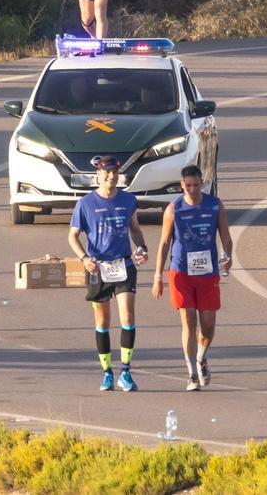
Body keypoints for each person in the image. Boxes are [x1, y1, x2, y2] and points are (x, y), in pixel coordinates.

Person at [67, 156, 149, 392]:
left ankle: (126, 371)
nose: (111, 177)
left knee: (128, 316)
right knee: (102, 320)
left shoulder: (128, 200)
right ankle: (106, 373)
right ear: (98, 176)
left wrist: (142, 249)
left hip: (123, 265)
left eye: (114, 173)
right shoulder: (85, 204)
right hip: (98, 268)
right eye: (106, 173)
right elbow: (73, 236)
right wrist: (84, 258)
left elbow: (134, 229)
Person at [152, 164, 233, 391]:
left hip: (207, 272)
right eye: (187, 186)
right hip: (180, 271)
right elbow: (165, 243)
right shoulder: (173, 209)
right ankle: (191, 374)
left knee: (207, 326)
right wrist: (158, 275)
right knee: (188, 321)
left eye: (196, 185)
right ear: (181, 185)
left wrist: (228, 255)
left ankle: (201, 358)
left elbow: (225, 236)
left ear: (201, 184)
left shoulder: (215, 206)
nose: (192, 190)